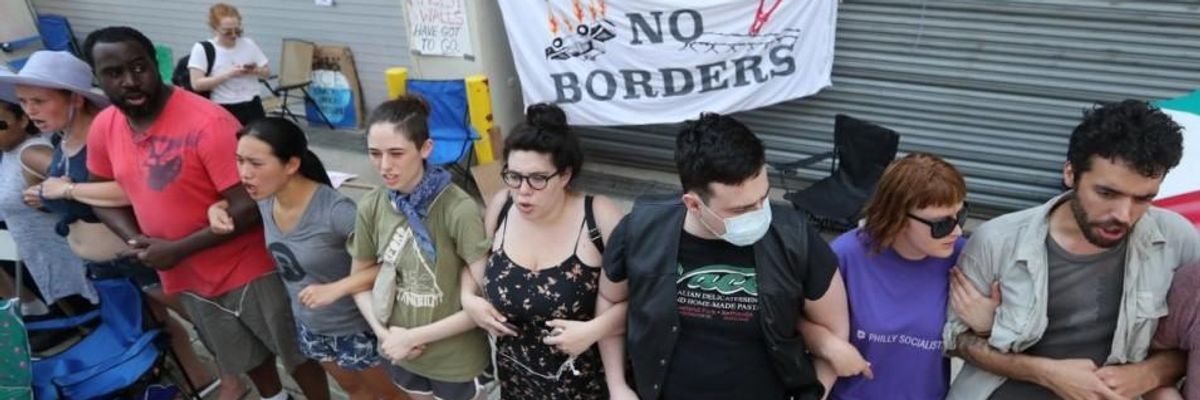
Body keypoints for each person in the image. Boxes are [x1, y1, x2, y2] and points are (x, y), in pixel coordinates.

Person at [81, 26, 327, 400]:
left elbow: (249, 202)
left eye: (139, 67)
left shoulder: (207, 122)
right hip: (188, 277)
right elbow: (100, 192)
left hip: (249, 267)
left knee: (296, 352)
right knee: (243, 353)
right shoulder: (105, 126)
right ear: (97, 78)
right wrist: (137, 240)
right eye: (114, 73)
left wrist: (176, 249)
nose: (130, 81)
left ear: (155, 64)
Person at [0, 50, 227, 396]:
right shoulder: (64, 138)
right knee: (156, 325)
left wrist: (69, 190)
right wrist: (48, 198)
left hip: (136, 256)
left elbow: (135, 187)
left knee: (206, 321)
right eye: (24, 102)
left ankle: (238, 379)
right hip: (106, 266)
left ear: (74, 97)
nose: (30, 111)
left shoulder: (104, 133)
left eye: (39, 101)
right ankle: (200, 379)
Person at [943, 100, 1200, 399]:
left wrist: (1149, 373)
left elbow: (1186, 345)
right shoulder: (998, 240)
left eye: (1143, 198)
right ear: (1070, 173)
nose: (1124, 214)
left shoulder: (1176, 239)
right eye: (1107, 193)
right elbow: (955, 340)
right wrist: (1045, 372)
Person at [601, 112, 846, 400]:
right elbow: (610, 299)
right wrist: (618, 387)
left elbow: (835, 329)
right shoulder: (641, 230)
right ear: (693, 204)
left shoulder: (796, 238)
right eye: (741, 209)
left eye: (764, 197)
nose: (759, 214)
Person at [207, 117, 408, 400]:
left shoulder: (337, 212)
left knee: (393, 397)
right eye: (239, 161)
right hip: (312, 327)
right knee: (354, 390)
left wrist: (336, 288)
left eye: (256, 163)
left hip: (357, 328)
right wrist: (216, 207)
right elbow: (232, 201)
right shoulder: (266, 198)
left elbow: (394, 264)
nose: (244, 173)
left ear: (291, 164)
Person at [458, 103, 634, 399]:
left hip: (587, 382)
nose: (523, 191)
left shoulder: (598, 217)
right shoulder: (501, 206)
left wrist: (594, 330)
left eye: (537, 179)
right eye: (514, 176)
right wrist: (468, 299)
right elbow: (476, 264)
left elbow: (642, 299)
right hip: (518, 379)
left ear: (564, 176)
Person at [347, 95, 491, 400]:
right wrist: (384, 334)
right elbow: (358, 282)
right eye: (375, 153)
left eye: (396, 153)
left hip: (455, 357)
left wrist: (414, 336)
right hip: (399, 350)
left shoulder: (457, 208)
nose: (384, 166)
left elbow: (485, 297)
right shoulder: (372, 205)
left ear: (425, 148)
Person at [807, 153, 971, 399]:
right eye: (942, 224)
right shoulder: (846, 255)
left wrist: (985, 321)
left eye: (961, 215)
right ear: (898, 217)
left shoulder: (964, 258)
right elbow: (794, 319)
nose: (957, 231)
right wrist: (828, 346)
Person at [0, 67, 98, 311]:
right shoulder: (9, 153)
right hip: (43, 255)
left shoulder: (31, 153)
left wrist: (52, 196)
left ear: (23, 121)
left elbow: (81, 183)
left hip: (70, 258)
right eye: (24, 101)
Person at [188, 3, 269, 125]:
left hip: (253, 105)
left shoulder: (249, 44)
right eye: (227, 32)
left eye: (237, 30)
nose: (234, 35)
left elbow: (266, 73)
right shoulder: (203, 49)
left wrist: (254, 70)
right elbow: (197, 84)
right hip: (224, 107)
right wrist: (228, 74)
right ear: (214, 28)